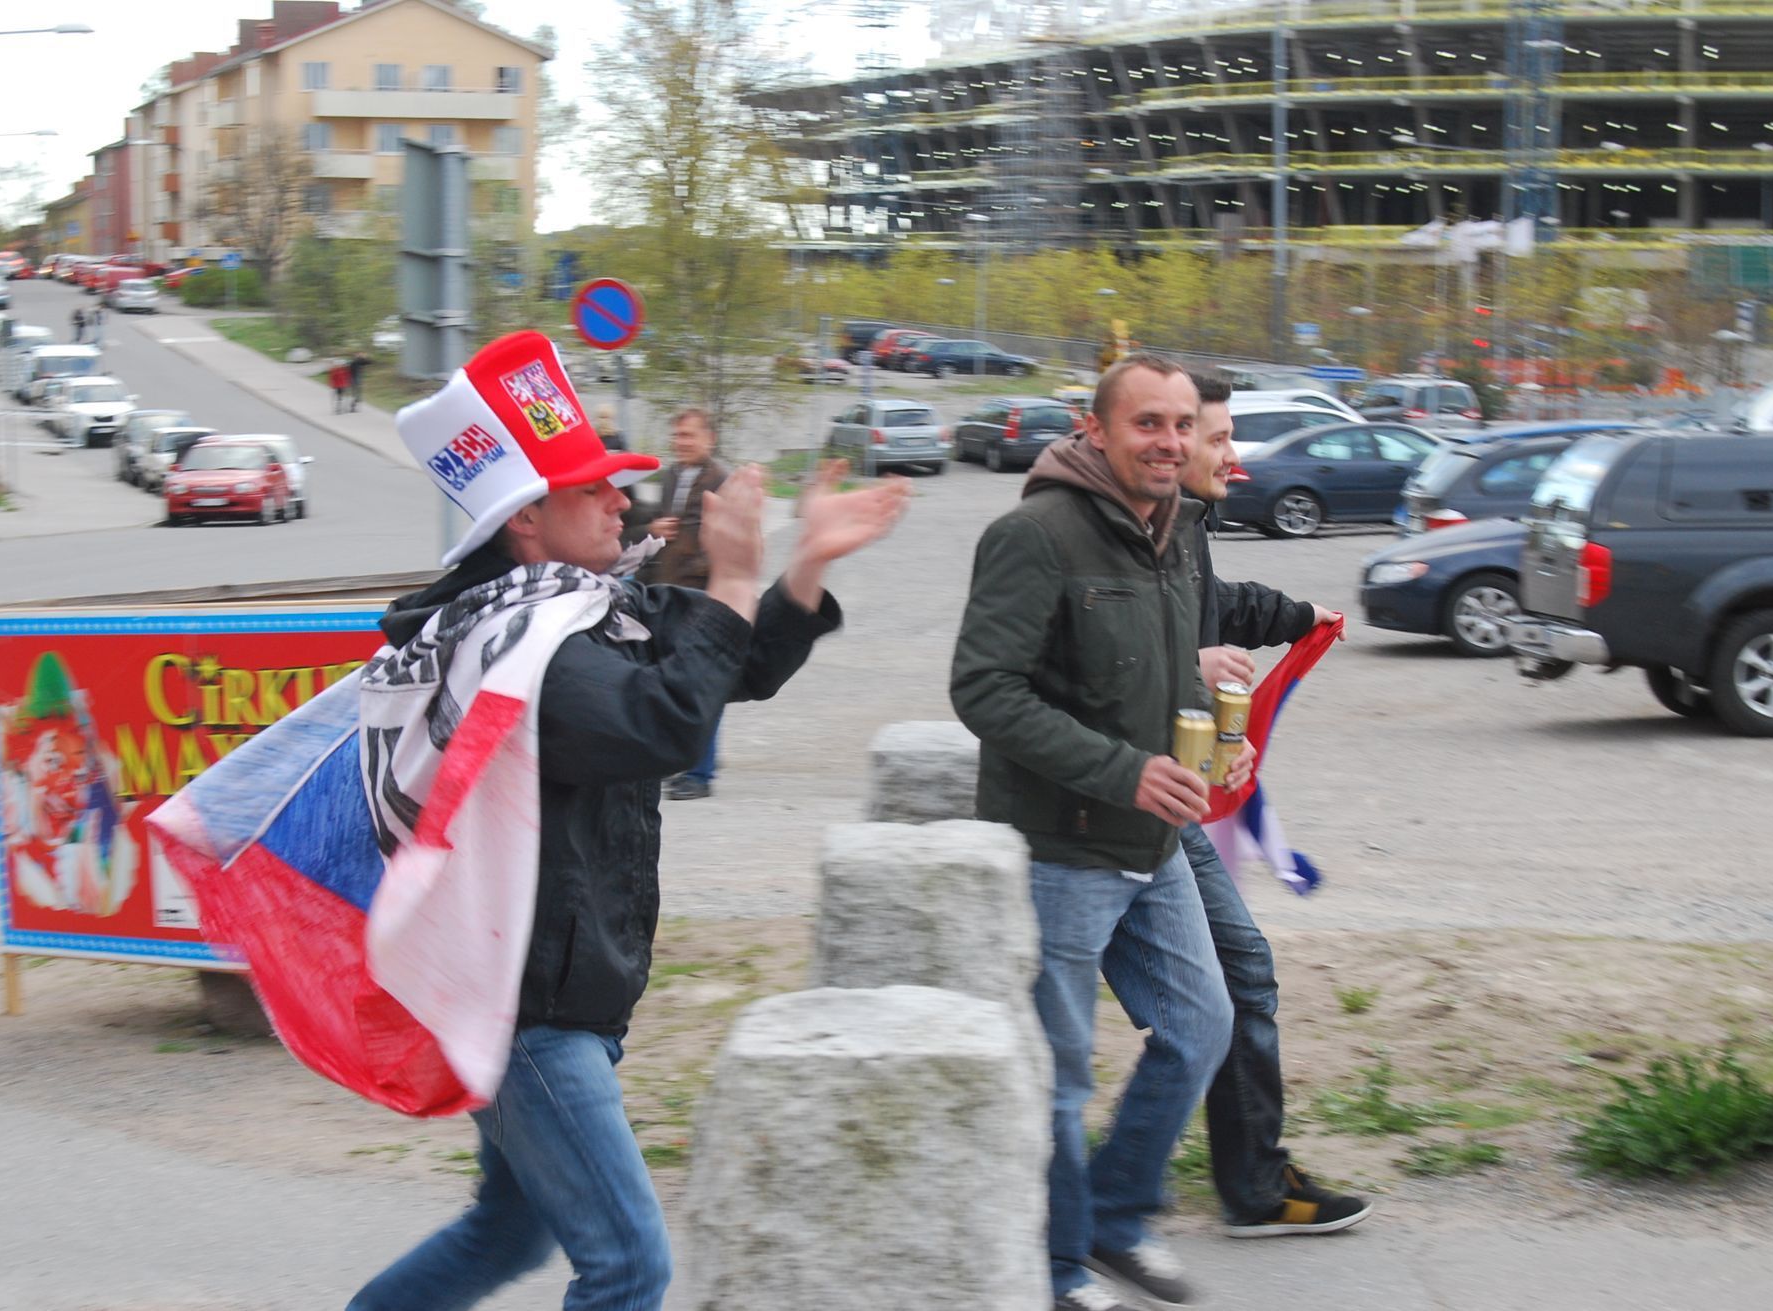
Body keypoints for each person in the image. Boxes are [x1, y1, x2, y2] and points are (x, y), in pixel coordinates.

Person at [346, 331, 909, 1311]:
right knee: (630, 1265)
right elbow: (666, 722)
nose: (621, 499)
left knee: (508, 1229)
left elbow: (731, 665)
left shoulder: (580, 608)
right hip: (527, 1012)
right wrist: (731, 577)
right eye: (592, 487)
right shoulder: (518, 651)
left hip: (551, 992)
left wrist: (803, 565)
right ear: (526, 520)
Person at [952, 353, 1254, 1311]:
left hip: (1150, 841)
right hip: (1059, 849)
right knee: (1062, 1076)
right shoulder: (1035, 533)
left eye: (1180, 424)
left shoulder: (1171, 528)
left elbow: (1159, 674)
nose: (1168, 441)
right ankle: (1055, 1272)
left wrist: (1219, 745)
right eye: (1146, 423)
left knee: (1201, 1026)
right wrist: (1124, 770)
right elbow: (983, 689)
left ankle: (1113, 1217)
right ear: (1095, 430)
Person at [1181, 376, 1367, 1240]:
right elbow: (1098, 653)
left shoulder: (1182, 523)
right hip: (1110, 805)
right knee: (1224, 981)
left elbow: (1205, 608)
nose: (1233, 455)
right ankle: (1222, 1185)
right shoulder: (1132, 525)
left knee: (1216, 987)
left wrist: (1294, 615)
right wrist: (1190, 672)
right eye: (1216, 437)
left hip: (1155, 792)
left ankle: (1219, 1178)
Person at [639, 408, 732, 800]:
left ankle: (700, 774)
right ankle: (682, 759)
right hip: (665, 596)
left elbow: (730, 541)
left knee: (702, 684)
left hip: (703, 598)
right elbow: (663, 526)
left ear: (709, 439)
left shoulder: (723, 481)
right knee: (671, 683)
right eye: (678, 435)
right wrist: (654, 530)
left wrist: (700, 574)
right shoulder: (671, 476)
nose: (681, 442)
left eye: (689, 435)